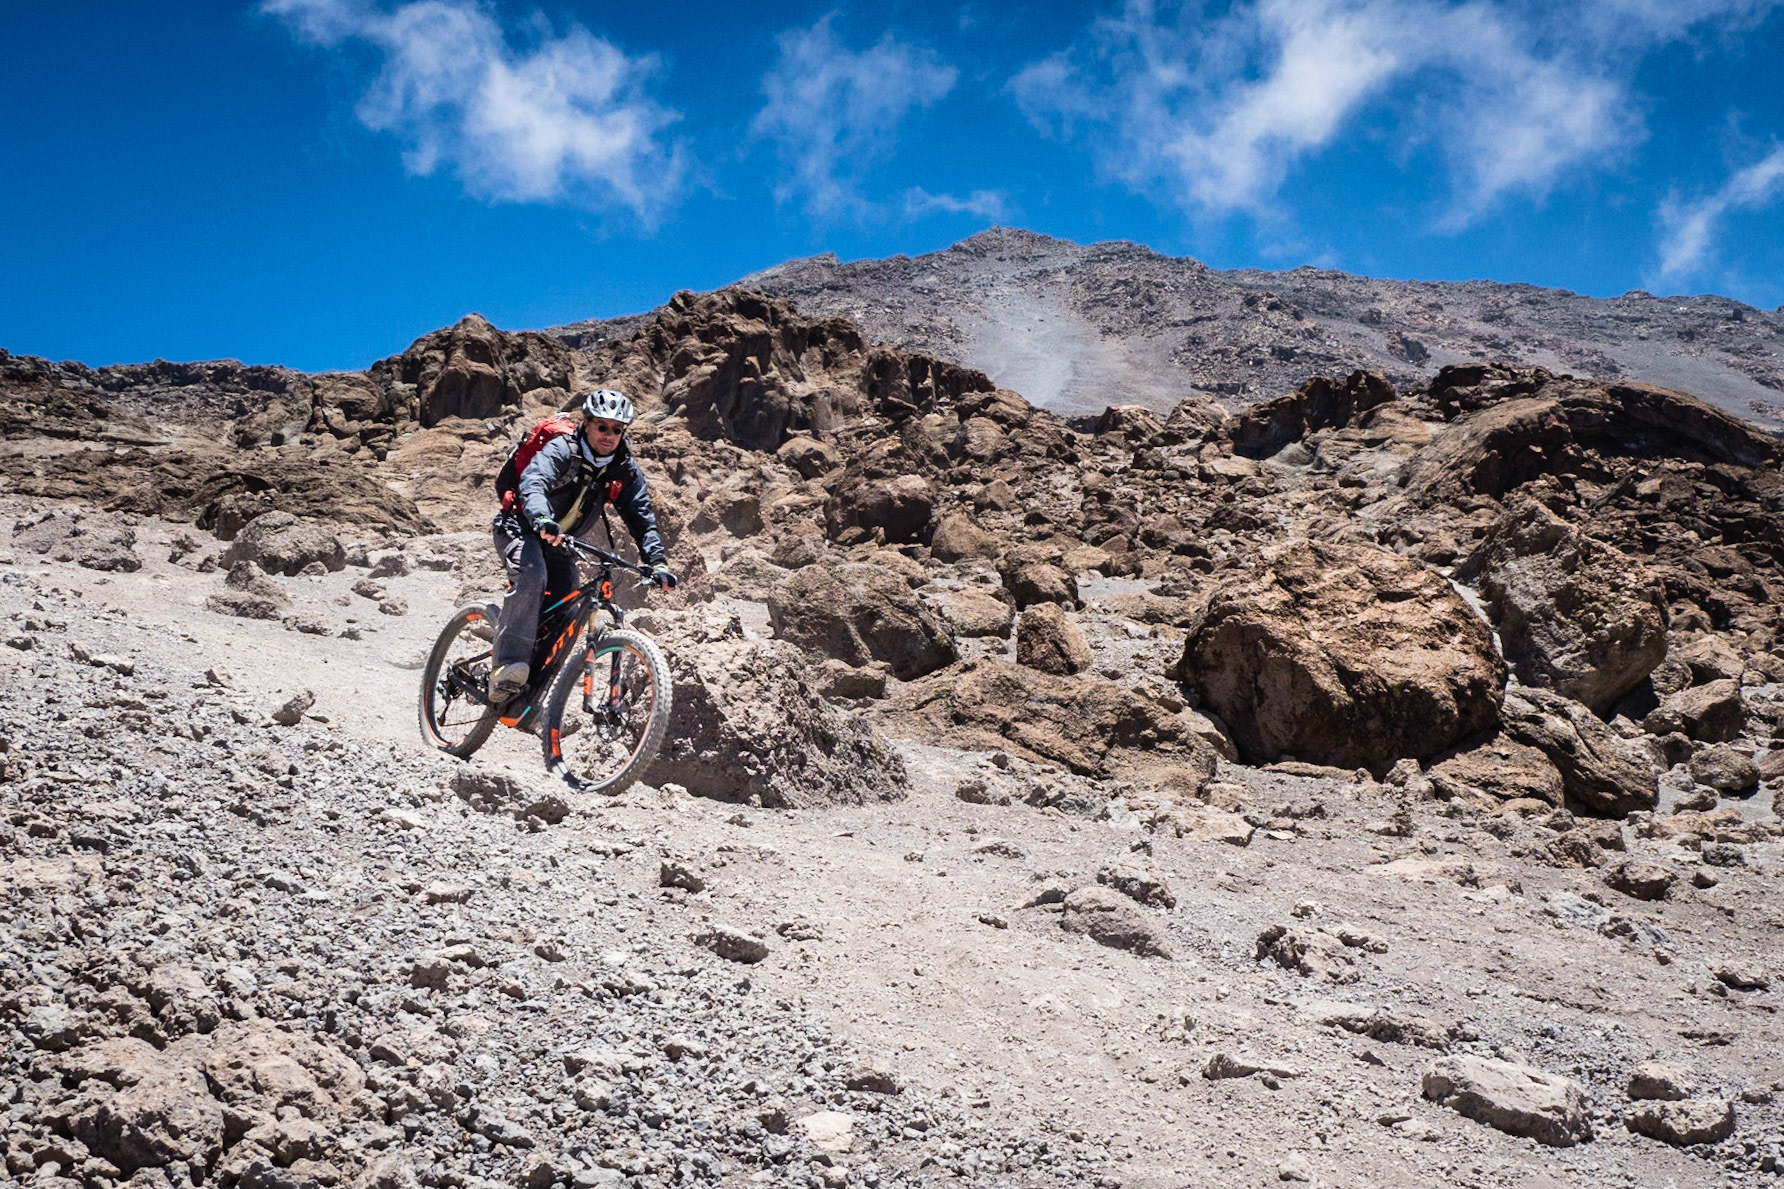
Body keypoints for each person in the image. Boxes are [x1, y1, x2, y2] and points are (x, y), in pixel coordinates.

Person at [488, 389, 676, 703]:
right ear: (586, 424)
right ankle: (507, 667)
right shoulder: (564, 448)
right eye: (602, 426)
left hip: (559, 542)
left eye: (617, 429)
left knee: (569, 602)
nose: (609, 435)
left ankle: (528, 686)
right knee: (532, 577)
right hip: (521, 526)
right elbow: (535, 481)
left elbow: (641, 515)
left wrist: (657, 562)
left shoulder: (623, 467)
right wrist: (541, 517)